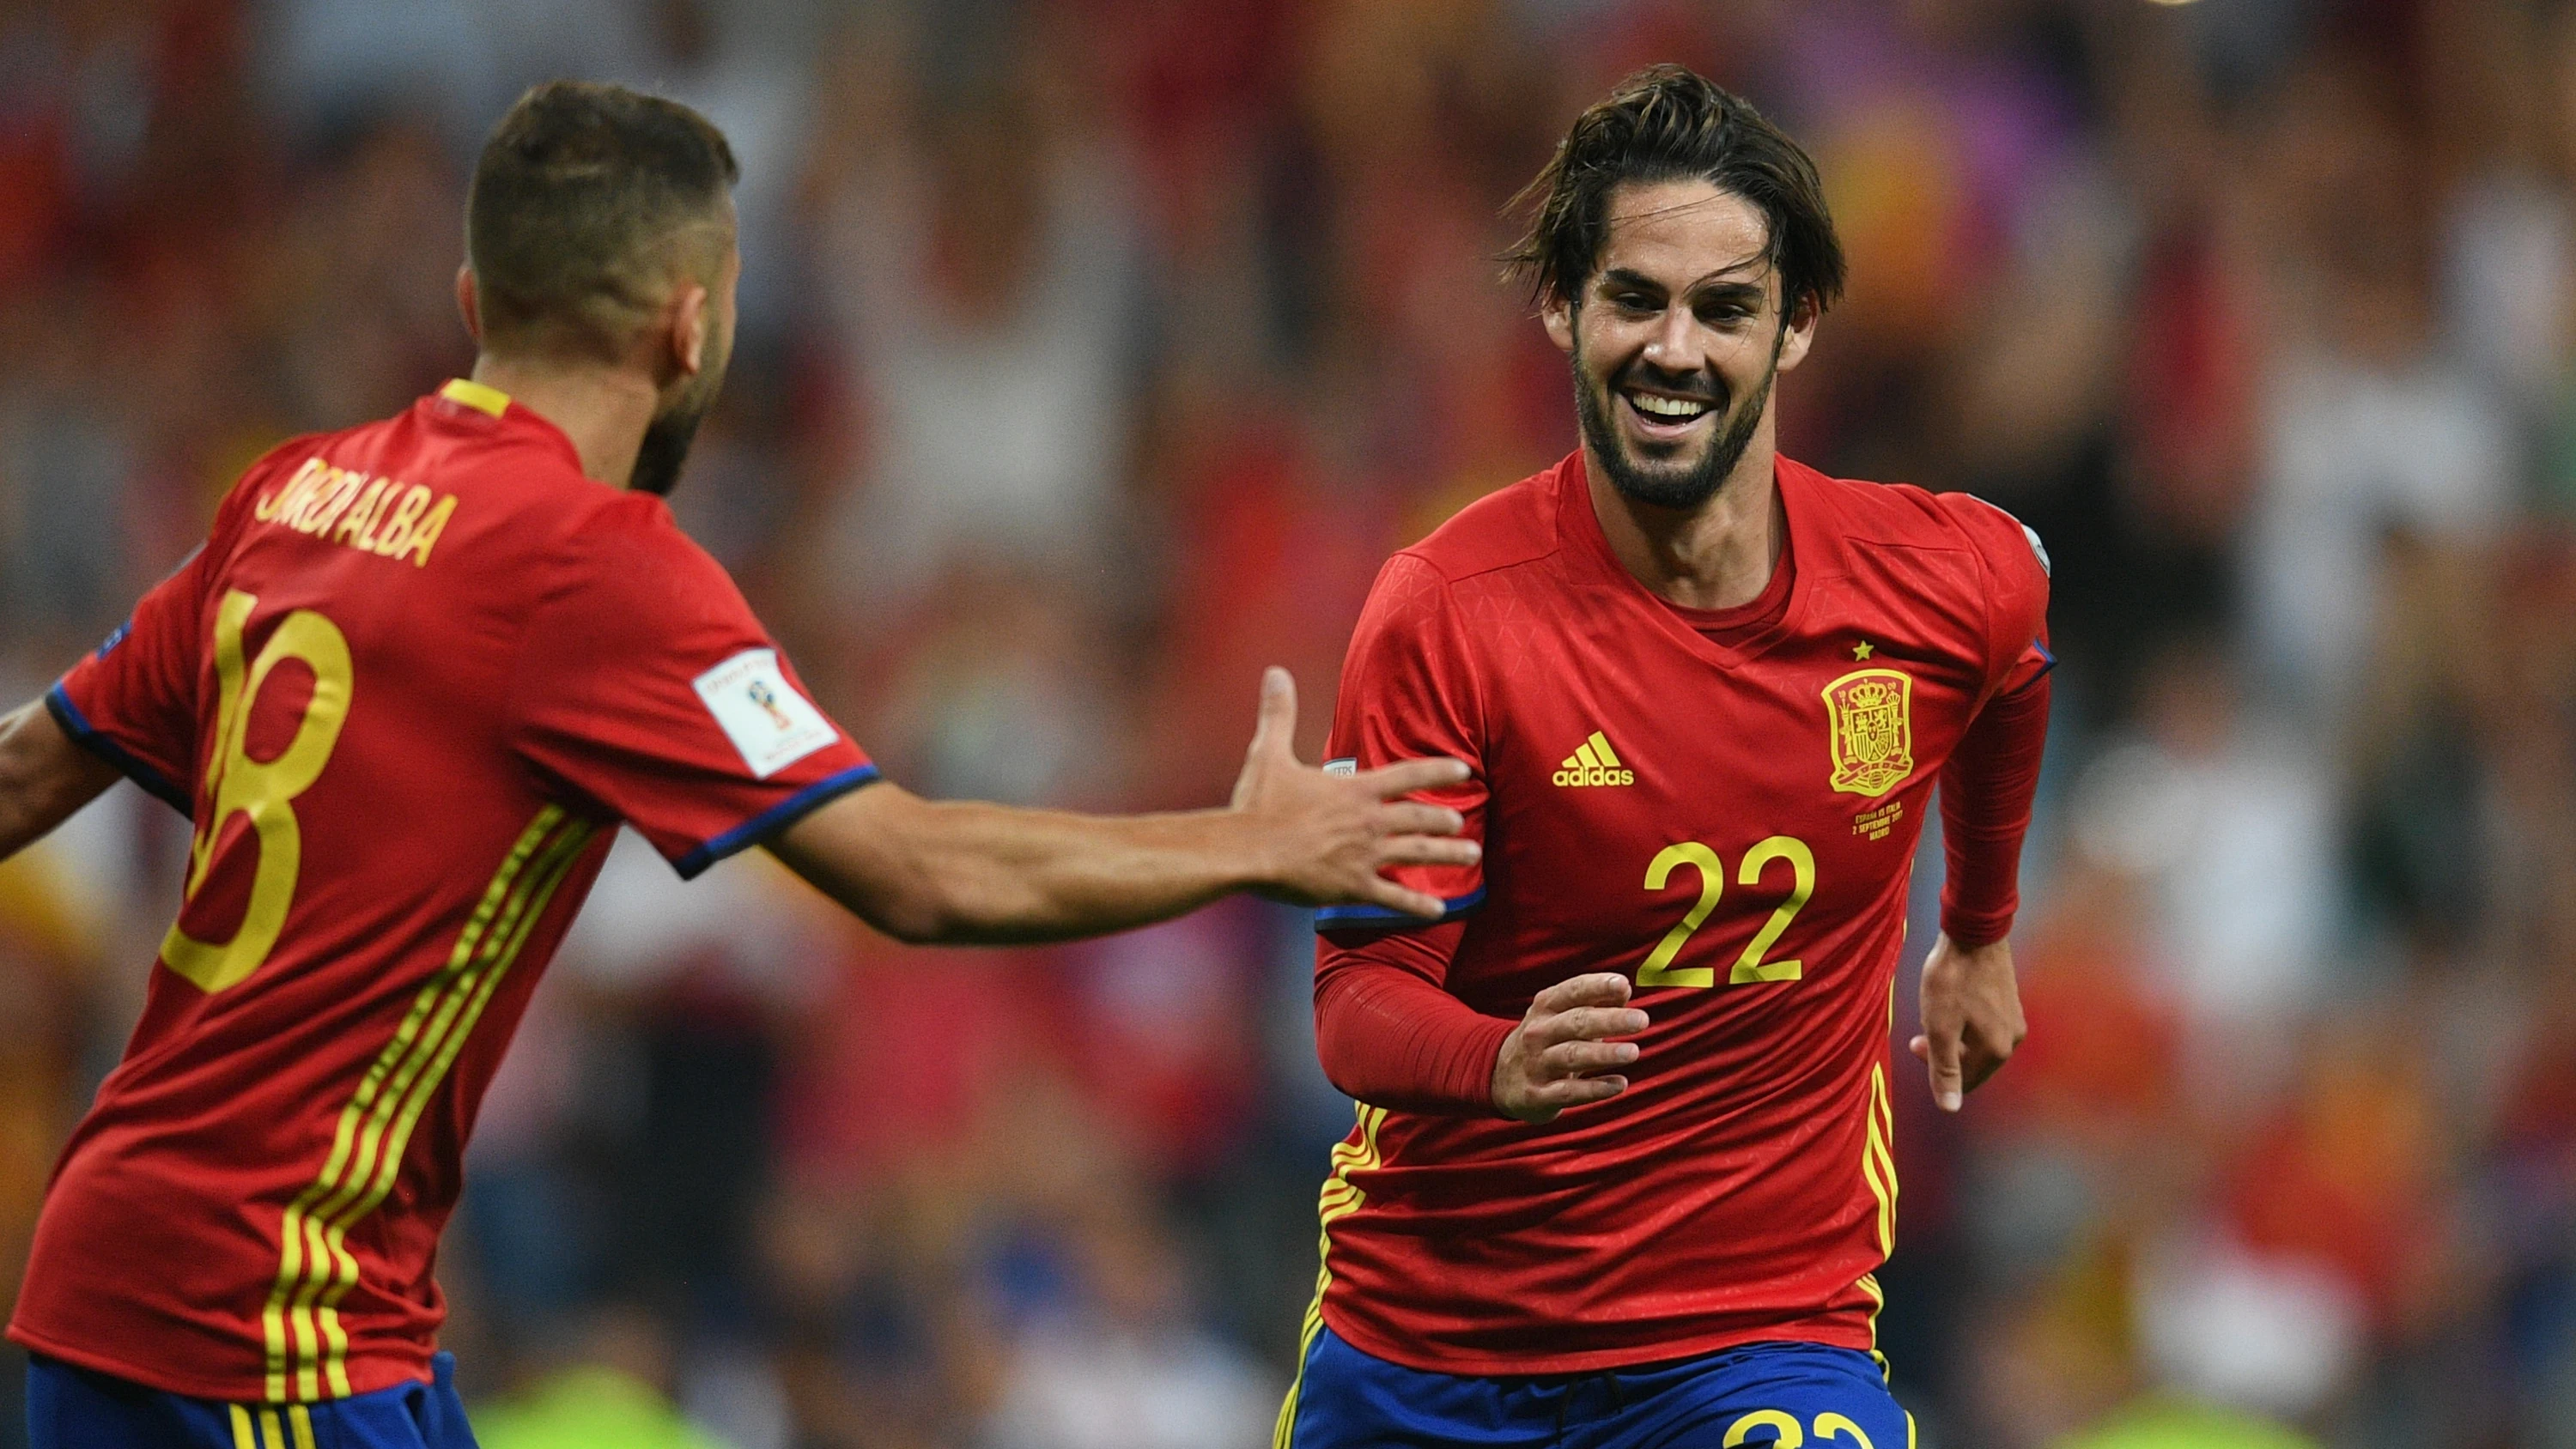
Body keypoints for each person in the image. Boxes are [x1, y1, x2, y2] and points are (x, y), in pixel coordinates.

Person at [0, 82, 1475, 1449]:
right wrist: (1252, 842)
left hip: (112, 1268)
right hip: (265, 1317)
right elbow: (915, 875)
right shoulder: (594, 568)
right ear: (690, 328)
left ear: (473, 301)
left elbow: (23, 781)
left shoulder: (292, 490)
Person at [1278, 65, 2051, 1448]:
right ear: (1564, 307)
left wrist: (1978, 930)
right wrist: (1496, 1058)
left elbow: (2014, 659)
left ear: (1797, 326)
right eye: (1636, 297)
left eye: (1727, 307)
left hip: (1756, 1340)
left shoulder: (1934, 581)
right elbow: (1358, 1003)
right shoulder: (1450, 618)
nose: (1675, 349)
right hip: (1436, 1351)